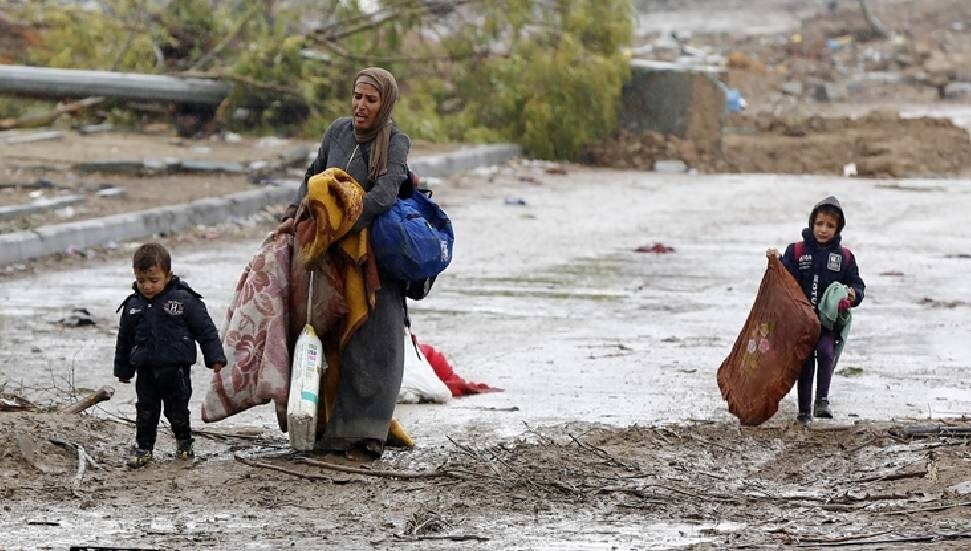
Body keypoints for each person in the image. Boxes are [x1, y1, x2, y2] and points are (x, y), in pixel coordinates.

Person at [278, 67, 410, 460]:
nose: (360, 106)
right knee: (327, 338)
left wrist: (344, 221)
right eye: (357, 96)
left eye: (370, 99)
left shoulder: (395, 142)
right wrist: (296, 211)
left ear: (384, 104)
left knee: (373, 344)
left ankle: (368, 433)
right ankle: (328, 428)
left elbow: (386, 194)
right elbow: (313, 174)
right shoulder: (337, 132)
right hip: (332, 253)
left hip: (374, 256)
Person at [114, 242, 226, 467]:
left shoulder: (184, 300)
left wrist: (214, 357)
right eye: (141, 280)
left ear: (168, 275)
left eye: (153, 280)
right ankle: (144, 448)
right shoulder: (132, 306)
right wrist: (123, 370)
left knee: (177, 410)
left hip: (176, 370)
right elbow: (124, 340)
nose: (147, 286)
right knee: (145, 410)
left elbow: (205, 329)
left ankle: (184, 442)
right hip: (145, 369)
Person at [766, 196, 865, 425]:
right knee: (806, 362)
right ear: (812, 223)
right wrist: (775, 260)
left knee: (827, 352)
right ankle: (803, 411)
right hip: (801, 324)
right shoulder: (797, 251)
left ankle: (822, 400)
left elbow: (857, 285)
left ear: (838, 229)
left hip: (828, 323)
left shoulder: (844, 257)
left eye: (830, 226)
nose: (823, 230)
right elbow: (782, 277)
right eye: (820, 223)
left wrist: (852, 295)